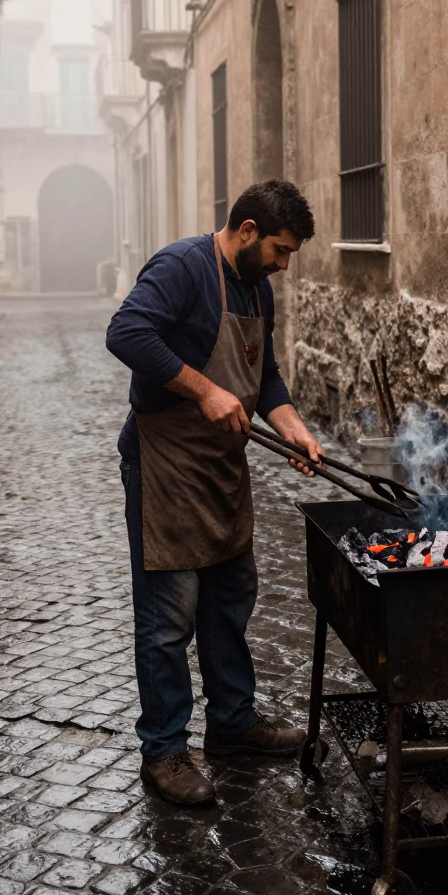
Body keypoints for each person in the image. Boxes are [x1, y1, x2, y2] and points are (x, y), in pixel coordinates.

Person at [106, 179, 324, 806]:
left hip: (222, 467)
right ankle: (166, 751)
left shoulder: (257, 287)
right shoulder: (183, 267)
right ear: (249, 231)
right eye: (281, 251)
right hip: (166, 462)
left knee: (230, 599)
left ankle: (232, 723)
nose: (284, 266)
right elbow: (125, 334)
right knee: (169, 616)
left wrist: (294, 431)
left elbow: (267, 374)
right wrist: (204, 390)